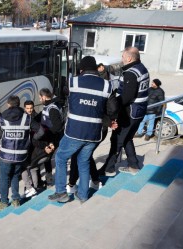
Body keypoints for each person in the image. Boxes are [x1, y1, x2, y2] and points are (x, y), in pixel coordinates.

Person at [48, 56, 112, 203]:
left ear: (81, 69)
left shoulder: (73, 82)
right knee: (84, 161)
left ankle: (61, 193)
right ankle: (83, 195)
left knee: (60, 157)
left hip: (75, 131)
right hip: (95, 133)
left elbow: (61, 95)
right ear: (96, 68)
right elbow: (112, 108)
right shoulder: (107, 85)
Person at [99, 47, 149, 176]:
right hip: (139, 111)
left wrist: (114, 107)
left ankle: (108, 168)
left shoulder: (131, 73)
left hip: (130, 112)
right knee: (127, 138)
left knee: (117, 139)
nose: (121, 59)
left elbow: (127, 97)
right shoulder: (141, 68)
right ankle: (134, 165)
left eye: (122, 57)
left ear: (129, 58)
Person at [0, 95, 44, 210]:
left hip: (5, 155)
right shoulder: (27, 118)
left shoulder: (2, 118)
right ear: (19, 104)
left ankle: (4, 202)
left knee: (4, 178)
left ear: (8, 104)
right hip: (21, 155)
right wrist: (30, 139)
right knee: (15, 176)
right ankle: (16, 200)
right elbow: (40, 131)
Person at [38, 88, 65, 187]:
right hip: (50, 137)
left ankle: (50, 180)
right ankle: (49, 179)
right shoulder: (47, 106)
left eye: (40, 98)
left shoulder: (52, 108)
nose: (39, 100)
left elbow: (57, 126)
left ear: (44, 97)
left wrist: (48, 135)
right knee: (47, 158)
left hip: (53, 138)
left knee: (48, 157)